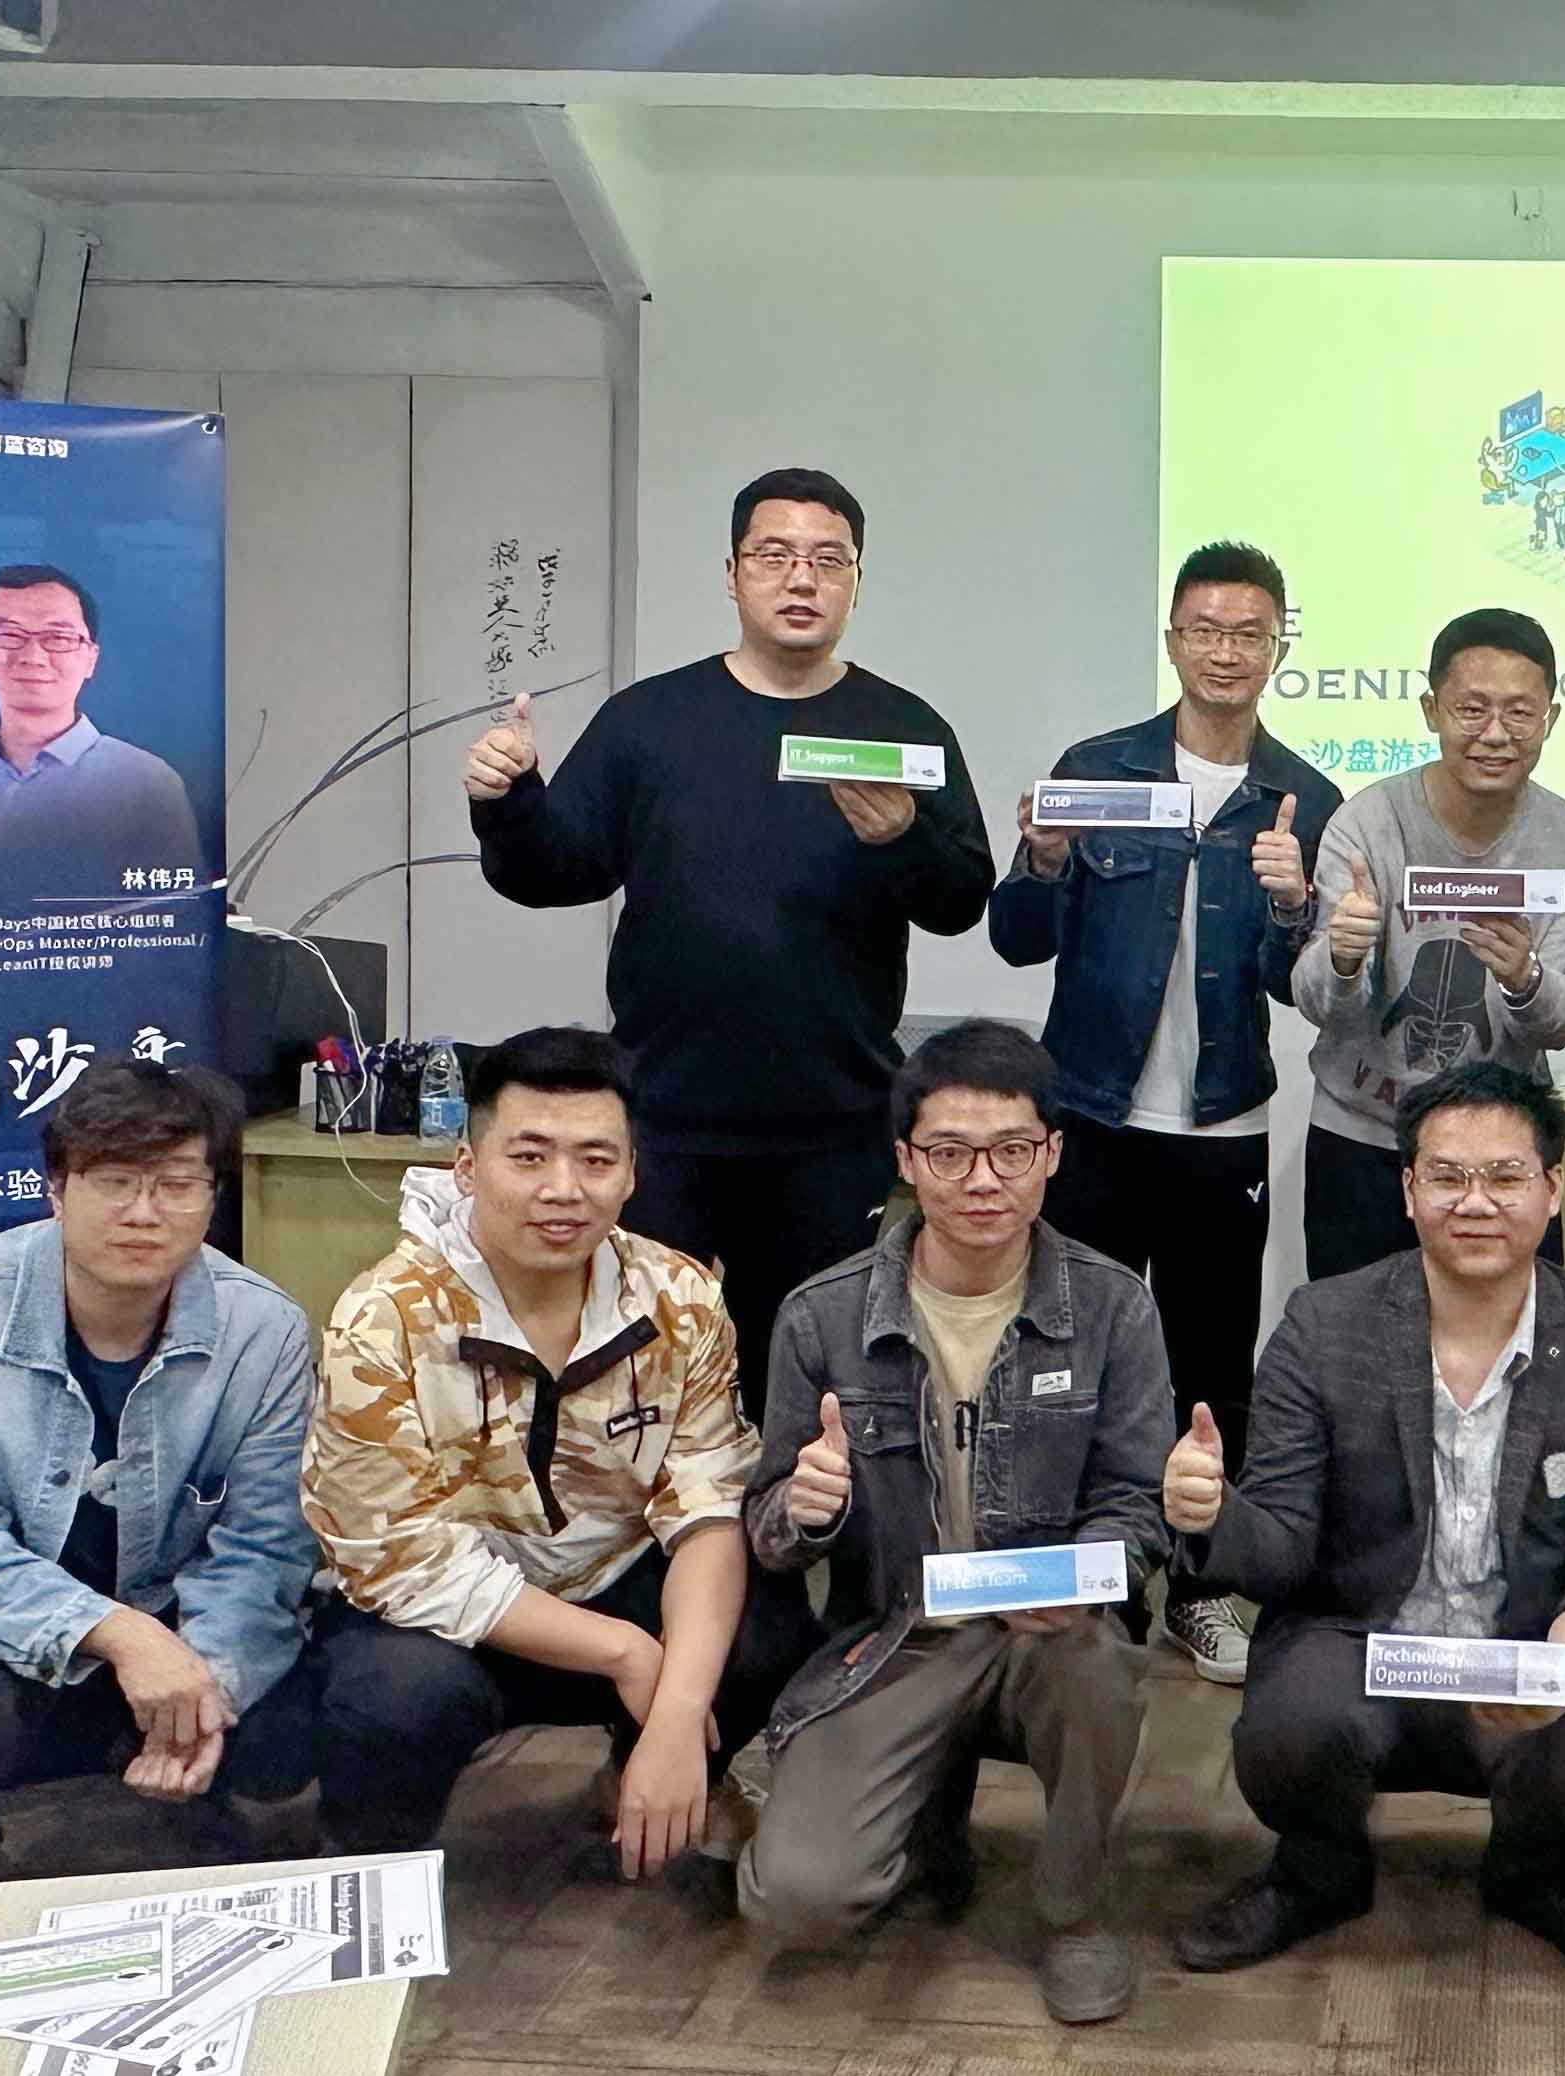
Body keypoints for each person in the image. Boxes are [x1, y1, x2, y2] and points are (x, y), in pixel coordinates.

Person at [466, 468, 995, 1410]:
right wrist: (508, 799)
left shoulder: (903, 728)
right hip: (666, 1119)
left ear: (856, 580)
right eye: (774, 555)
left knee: (808, 1390)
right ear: (732, 573)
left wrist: (902, 839)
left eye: (828, 560)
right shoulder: (650, 721)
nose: (801, 579)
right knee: (640, 1382)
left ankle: (785, 1516)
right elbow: (553, 873)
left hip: (833, 1126)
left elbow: (961, 902)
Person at [1168, 1063, 1565, 1981]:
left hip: (1522, 1639)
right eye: (1446, 1176)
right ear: (1407, 1191)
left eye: (1505, 1176)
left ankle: (1534, 1876)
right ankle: (1317, 1872)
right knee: (1289, 1729)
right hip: (1358, 1637)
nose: (1474, 1202)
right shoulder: (1323, 1326)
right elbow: (1280, 1544)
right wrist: (1210, 1517)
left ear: (1553, 1188)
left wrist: (1562, 1670)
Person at [739, 1022, 1172, 2024]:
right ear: (904, 1160)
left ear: (1052, 1154)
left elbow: (1137, 1503)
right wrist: (803, 1511)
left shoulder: (1113, 1307)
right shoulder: (820, 1315)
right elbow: (764, 1524)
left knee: (1096, 1667)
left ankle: (1073, 1912)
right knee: (798, 1900)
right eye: (949, 1153)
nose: (983, 1180)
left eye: (1012, 1150)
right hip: (895, 1636)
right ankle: (928, 1814)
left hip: (1047, 1634)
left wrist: (1079, 1575)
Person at [305, 1027, 815, 1871]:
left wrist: (677, 1713)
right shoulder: (383, 1318)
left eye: (595, 1160)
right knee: (394, 1696)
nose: (563, 1190)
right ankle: (370, 1855)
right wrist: (624, 1652)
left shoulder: (679, 1295)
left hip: (614, 1577)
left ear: (632, 1174)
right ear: (467, 1166)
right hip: (456, 1625)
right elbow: (397, 1560)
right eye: (529, 1157)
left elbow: (707, 1506)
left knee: (766, 1623)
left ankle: (650, 1777)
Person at [991, 541, 1339, 1682]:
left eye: (1249, 634)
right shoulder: (1098, 768)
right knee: (1067, 1354)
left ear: (1279, 646)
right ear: (1174, 639)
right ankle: (1075, 1580)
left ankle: (1198, 1586)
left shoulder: (1304, 798)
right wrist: (1042, 861)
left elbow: (1302, 990)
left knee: (1209, 1365)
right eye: (1205, 630)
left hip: (1221, 1128)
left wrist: (1292, 906)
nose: (1225, 653)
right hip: (1089, 1117)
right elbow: (1015, 940)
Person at [0, 1061, 318, 1885]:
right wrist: (124, 1637)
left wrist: (201, 1684)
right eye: (114, 1182)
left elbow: (267, 1542)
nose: (143, 1212)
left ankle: (177, 1771)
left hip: (176, 1605)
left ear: (212, 1198)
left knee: (290, 1728)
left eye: (176, 1185)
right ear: (57, 1191)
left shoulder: (263, 1327)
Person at [1294, 609, 1565, 1279]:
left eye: (1519, 713)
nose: (1495, 734)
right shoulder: (1367, 823)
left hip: (1504, 1149)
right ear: (1430, 709)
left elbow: (1562, 1023)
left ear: (1550, 719)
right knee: (1350, 1330)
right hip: (1365, 1137)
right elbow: (1318, 1003)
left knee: (1514, 1331)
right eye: (1472, 709)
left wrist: (1524, 979)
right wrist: (1342, 957)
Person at [0, 564, 201, 909]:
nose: (32, 657)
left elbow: (173, 918)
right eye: (9, 635)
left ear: (90, 658)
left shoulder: (148, 783)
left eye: (58, 638)